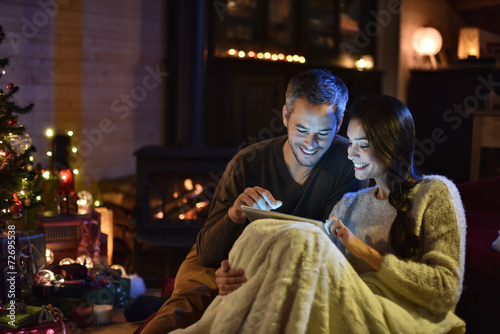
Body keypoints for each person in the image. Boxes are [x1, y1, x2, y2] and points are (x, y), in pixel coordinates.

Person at [173, 94, 466, 333]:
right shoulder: (350, 204)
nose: (350, 154)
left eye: (362, 145)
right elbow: (314, 270)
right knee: (264, 229)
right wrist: (238, 271)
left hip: (400, 313)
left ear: (392, 146)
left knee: (303, 238)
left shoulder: (434, 192)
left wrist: (365, 252)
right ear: (285, 117)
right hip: (347, 306)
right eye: (350, 143)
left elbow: (444, 292)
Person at [140, 69, 366, 333]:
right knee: (188, 304)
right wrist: (235, 216)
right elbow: (208, 253)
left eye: (323, 133)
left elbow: (334, 251)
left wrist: (250, 272)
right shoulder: (247, 162)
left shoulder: (349, 164)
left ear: (338, 125)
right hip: (221, 256)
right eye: (301, 129)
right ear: (285, 116)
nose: (310, 143)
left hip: (278, 265)